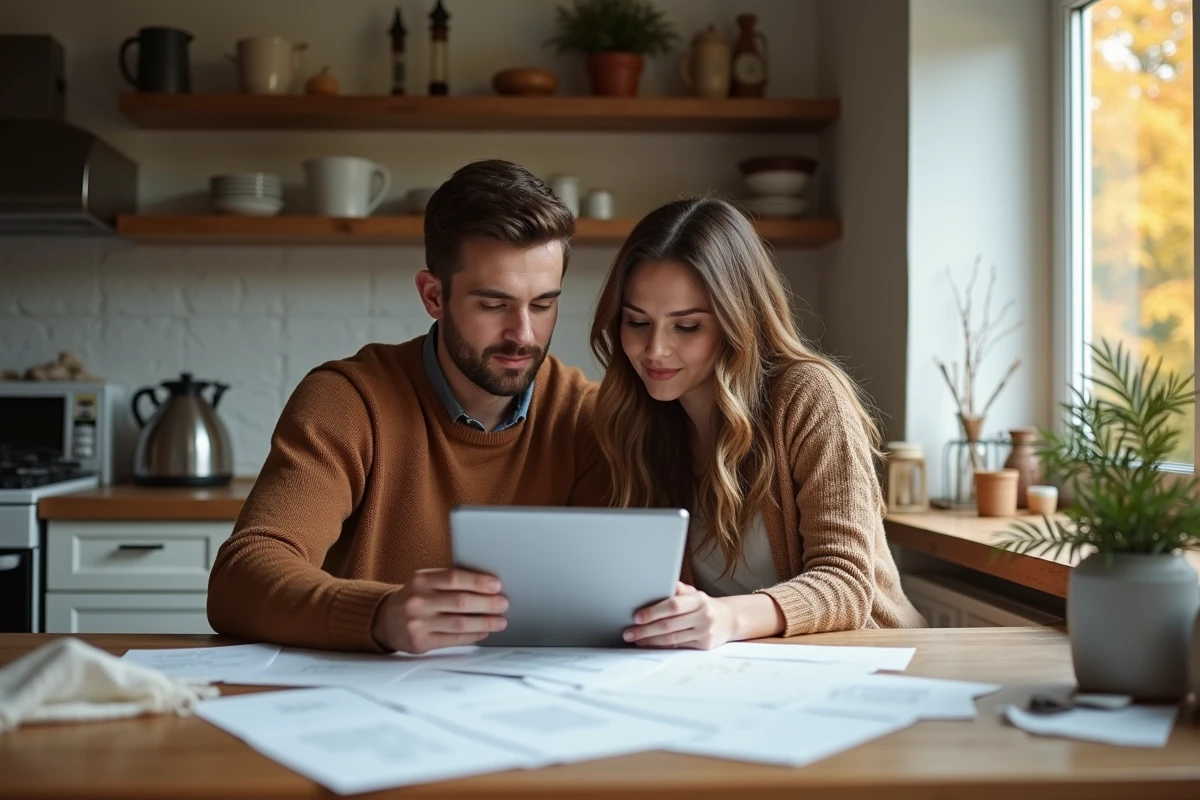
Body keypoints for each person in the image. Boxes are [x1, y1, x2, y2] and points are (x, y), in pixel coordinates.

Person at [208, 159, 608, 654]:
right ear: (433, 295)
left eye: (543, 305)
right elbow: (240, 580)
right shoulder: (348, 400)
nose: (523, 335)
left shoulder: (586, 416)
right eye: (493, 304)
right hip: (365, 705)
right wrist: (379, 615)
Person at [589, 197, 926, 650]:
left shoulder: (808, 396)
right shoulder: (640, 420)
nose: (654, 350)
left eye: (686, 327)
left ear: (738, 320)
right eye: (636, 322)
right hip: (739, 672)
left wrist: (725, 618)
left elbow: (846, 584)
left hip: (868, 660)